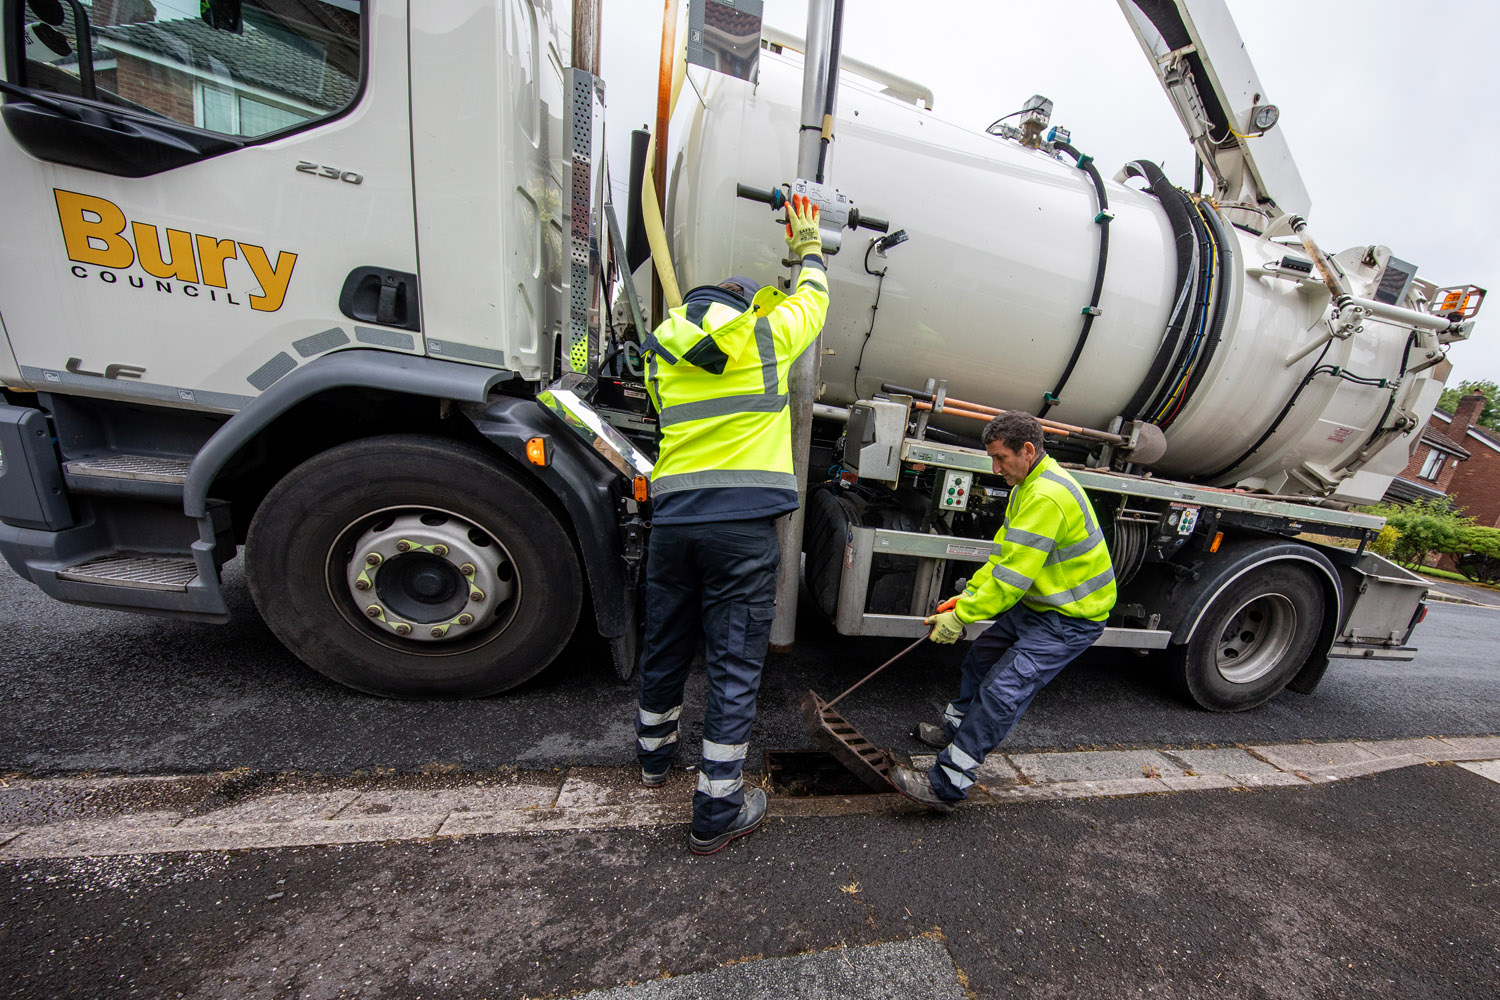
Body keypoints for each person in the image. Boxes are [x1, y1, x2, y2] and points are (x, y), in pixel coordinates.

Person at [634, 194, 830, 855]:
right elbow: (814, 301)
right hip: (743, 529)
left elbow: (669, 419)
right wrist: (808, 245)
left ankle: (653, 760)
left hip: (674, 522)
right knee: (732, 665)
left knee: (664, 644)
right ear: (741, 306)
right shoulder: (763, 337)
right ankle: (717, 810)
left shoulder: (659, 353)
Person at [888, 410, 1116, 813]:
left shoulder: (1046, 496)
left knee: (1002, 691)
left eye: (1000, 458)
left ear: (1027, 451)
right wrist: (967, 599)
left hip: (1071, 619)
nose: (995, 469)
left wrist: (963, 618)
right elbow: (1003, 559)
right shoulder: (1027, 486)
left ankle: (948, 784)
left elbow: (1012, 580)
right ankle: (955, 731)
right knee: (982, 656)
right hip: (1042, 606)